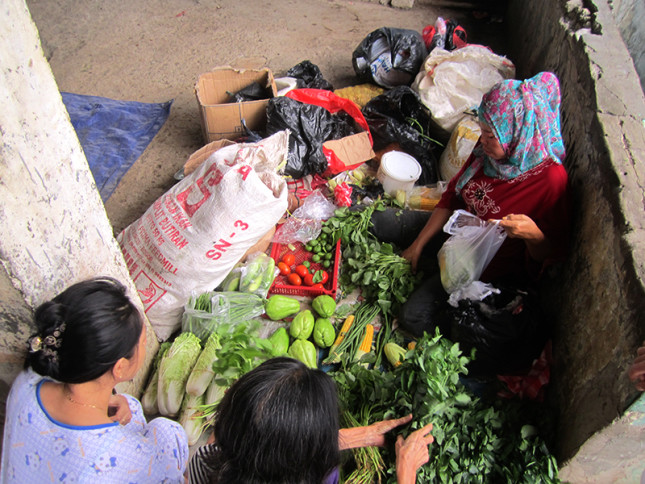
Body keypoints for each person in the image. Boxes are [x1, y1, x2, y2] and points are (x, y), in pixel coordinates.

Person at [371, 71, 570, 341]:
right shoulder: (487, 151)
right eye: (483, 131)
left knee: (413, 317)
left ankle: (448, 295)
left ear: (518, 134)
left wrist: (532, 234)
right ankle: (430, 259)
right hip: (455, 234)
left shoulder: (550, 181)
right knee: (374, 219)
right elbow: (452, 196)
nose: (483, 140)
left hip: (479, 268)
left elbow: (550, 255)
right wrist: (418, 245)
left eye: (491, 136)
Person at [1, 277, 189, 483]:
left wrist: (106, 402)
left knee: (132, 407)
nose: (144, 348)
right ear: (120, 367)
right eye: (143, 343)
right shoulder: (130, 461)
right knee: (168, 431)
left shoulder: (29, 380)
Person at [187, 357, 434, 484]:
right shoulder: (321, 477)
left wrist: (365, 435)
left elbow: (271, 447)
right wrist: (406, 472)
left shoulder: (205, 461)